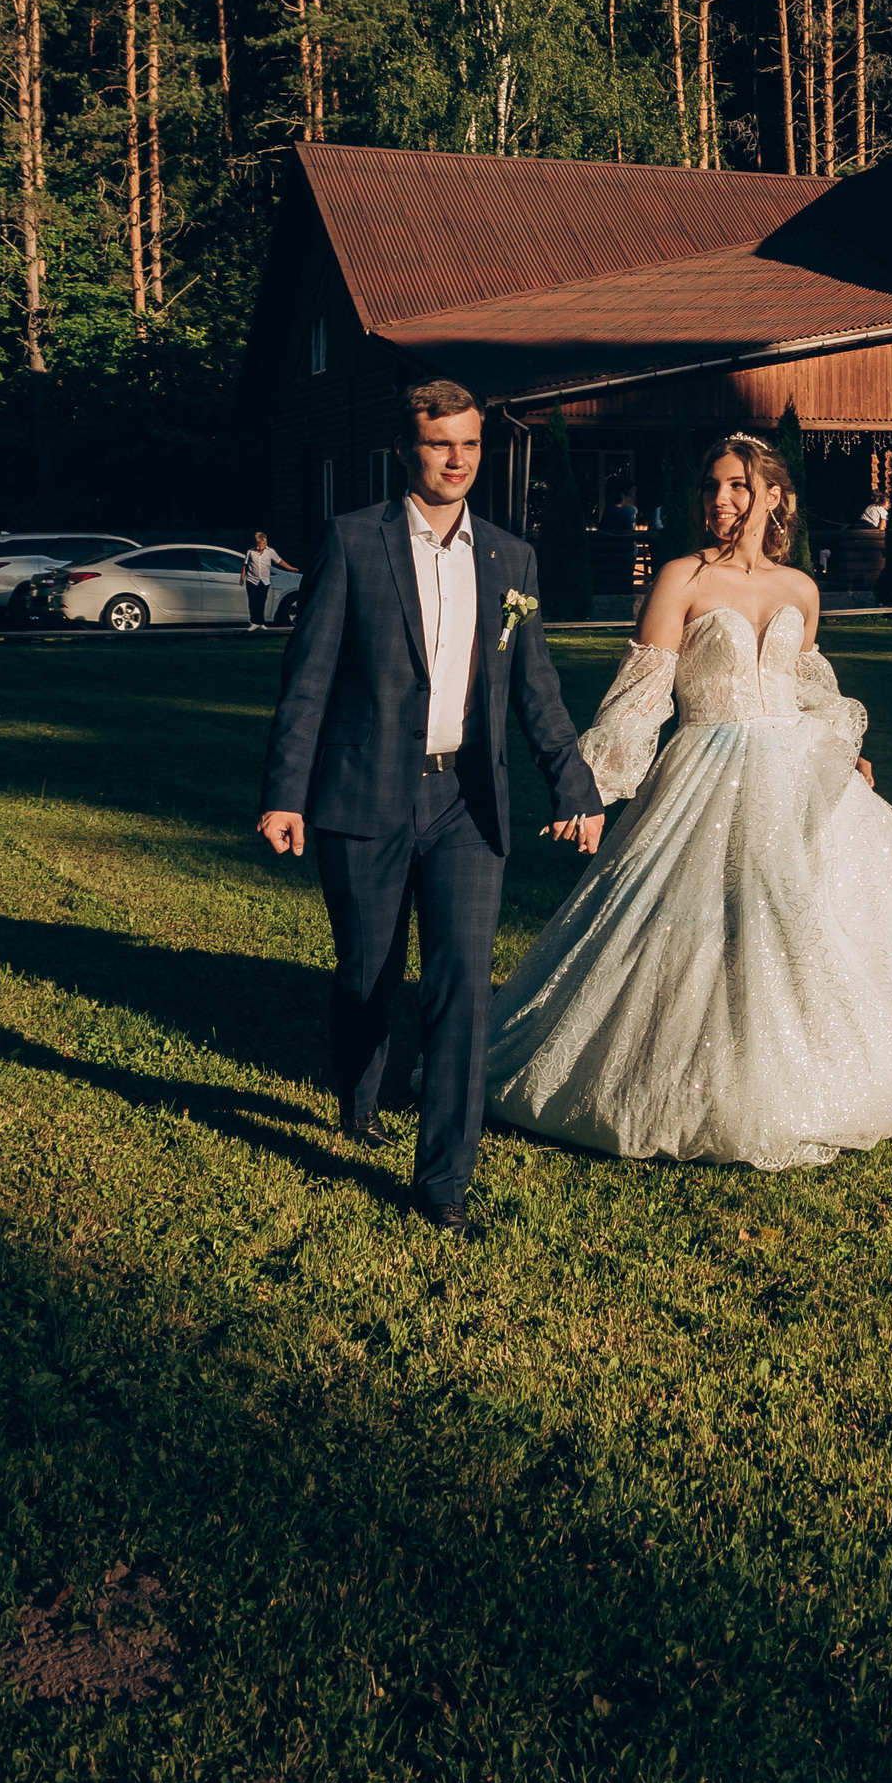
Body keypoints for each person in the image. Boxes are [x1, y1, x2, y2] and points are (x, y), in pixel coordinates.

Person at [483, 434, 892, 1166]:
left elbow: (808, 689)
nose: (720, 500)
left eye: (737, 485)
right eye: (711, 486)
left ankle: (820, 1068)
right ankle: (684, 1070)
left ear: (774, 497)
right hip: (708, 766)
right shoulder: (681, 579)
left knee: (809, 920)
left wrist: (841, 744)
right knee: (692, 925)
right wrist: (589, 788)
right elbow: (640, 700)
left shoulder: (800, 587)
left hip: (798, 767)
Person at [256, 376, 603, 1238]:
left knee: (460, 989)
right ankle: (359, 1092)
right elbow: (307, 682)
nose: (457, 460)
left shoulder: (509, 558)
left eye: (470, 444)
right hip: (362, 793)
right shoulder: (353, 540)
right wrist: (284, 795)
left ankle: (443, 1180)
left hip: (465, 802)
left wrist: (574, 784)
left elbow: (537, 690)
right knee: (366, 977)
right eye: (440, 444)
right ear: (407, 451)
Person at [242, 531, 288, 631]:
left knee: (261, 601)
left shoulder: (270, 552)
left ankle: (261, 622)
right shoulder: (250, 552)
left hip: (264, 581)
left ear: (265, 543)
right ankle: (253, 622)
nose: (258, 548)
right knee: (253, 601)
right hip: (251, 580)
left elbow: (279, 561)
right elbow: (246, 565)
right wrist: (242, 577)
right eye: (257, 546)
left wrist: (290, 568)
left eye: (260, 546)